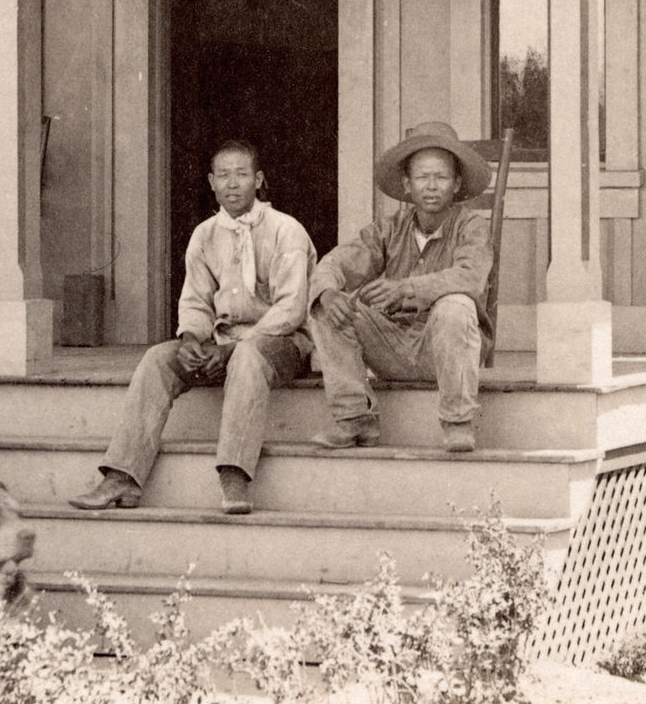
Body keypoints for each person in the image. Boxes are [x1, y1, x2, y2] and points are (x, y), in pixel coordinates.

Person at [68, 140, 315, 515]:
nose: (233, 184)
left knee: (248, 355)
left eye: (242, 175)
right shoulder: (204, 235)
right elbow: (196, 301)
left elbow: (291, 309)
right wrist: (190, 339)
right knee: (158, 358)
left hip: (281, 344)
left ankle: (235, 473)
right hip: (222, 343)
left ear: (259, 180)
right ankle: (123, 477)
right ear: (211, 183)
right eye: (224, 176)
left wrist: (232, 349)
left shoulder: (286, 231)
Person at [308, 121, 493, 453]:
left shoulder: (471, 226)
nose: (432, 186)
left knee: (455, 305)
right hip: (392, 346)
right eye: (422, 177)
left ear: (457, 183)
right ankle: (354, 418)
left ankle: (458, 421)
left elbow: (470, 276)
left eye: (442, 177)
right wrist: (328, 291)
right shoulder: (388, 229)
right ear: (408, 185)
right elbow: (337, 262)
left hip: (448, 351)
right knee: (328, 307)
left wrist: (406, 289)